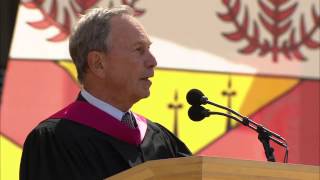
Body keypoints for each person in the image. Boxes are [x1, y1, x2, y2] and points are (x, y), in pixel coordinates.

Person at [20, 5, 191, 180]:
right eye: (139, 50)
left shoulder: (160, 140)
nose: (152, 61)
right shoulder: (54, 142)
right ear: (98, 63)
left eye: (149, 49)